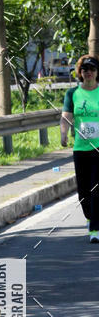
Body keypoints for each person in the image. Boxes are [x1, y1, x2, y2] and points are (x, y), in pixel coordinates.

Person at [60, 54, 99, 243]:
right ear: (80, 72)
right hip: (80, 149)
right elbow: (66, 116)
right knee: (83, 193)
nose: (88, 72)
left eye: (92, 69)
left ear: (97, 72)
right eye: (85, 69)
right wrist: (63, 134)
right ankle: (90, 218)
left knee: (96, 189)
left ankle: (95, 229)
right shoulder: (72, 94)